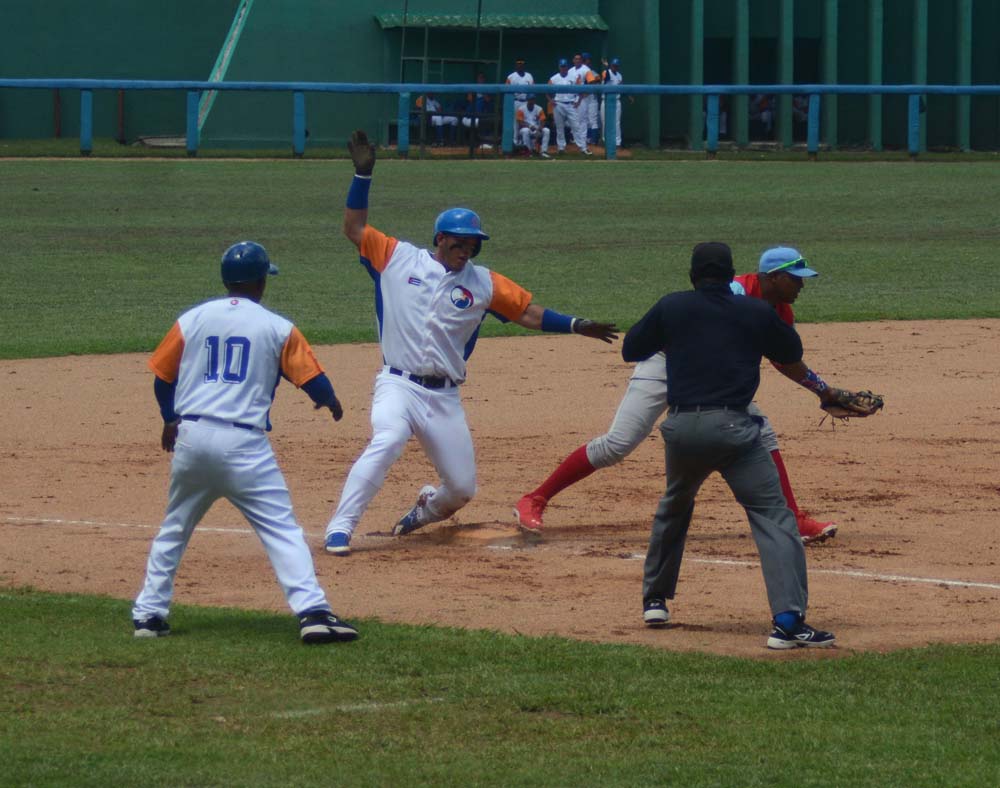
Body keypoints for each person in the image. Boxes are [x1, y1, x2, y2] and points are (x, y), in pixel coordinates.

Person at [323, 130, 617, 556]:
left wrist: (576, 325)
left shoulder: (482, 283)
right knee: (386, 440)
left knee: (461, 488)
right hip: (398, 385)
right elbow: (354, 227)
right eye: (459, 243)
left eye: (473, 245)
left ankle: (424, 510)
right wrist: (362, 175)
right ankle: (341, 527)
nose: (467, 251)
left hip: (444, 397)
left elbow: (529, 314)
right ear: (439, 238)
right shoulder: (396, 257)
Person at [514, 246, 841, 545]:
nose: (802, 286)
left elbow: (786, 360)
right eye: (796, 279)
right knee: (618, 443)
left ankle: (793, 519)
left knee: (763, 433)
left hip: (712, 377)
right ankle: (535, 498)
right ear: (774, 277)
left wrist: (823, 392)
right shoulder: (734, 292)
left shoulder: (780, 312)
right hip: (667, 364)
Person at [133, 241, 358, 645]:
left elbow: (161, 378)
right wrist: (330, 402)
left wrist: (170, 418)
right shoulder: (276, 326)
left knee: (175, 528)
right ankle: (313, 613)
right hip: (244, 446)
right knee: (282, 530)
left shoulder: (192, 319)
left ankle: (149, 616)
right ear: (259, 282)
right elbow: (313, 381)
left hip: (192, 437)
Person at [621, 242, 836, 649]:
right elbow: (791, 352)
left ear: (693, 276)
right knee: (774, 516)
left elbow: (632, 349)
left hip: (682, 429)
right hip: (735, 431)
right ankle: (788, 623)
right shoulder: (756, 311)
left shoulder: (672, 306)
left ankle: (655, 600)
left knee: (674, 505)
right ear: (733, 274)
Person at [548, 58, 587, 155]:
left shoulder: (574, 76)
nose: (563, 68)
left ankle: (582, 148)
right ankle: (561, 148)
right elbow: (546, 91)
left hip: (570, 104)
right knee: (559, 127)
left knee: (576, 126)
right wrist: (551, 100)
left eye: (565, 66)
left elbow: (581, 91)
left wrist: (578, 102)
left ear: (567, 67)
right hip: (558, 104)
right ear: (559, 67)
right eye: (562, 66)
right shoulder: (554, 78)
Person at [565, 53, 593, 154]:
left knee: (582, 121)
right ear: (573, 60)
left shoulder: (586, 70)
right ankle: (578, 143)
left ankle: (583, 146)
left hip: (582, 98)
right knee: (574, 121)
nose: (577, 60)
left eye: (579, 59)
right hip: (572, 97)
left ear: (582, 60)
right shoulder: (570, 71)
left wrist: (583, 96)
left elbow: (592, 83)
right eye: (575, 59)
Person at [600, 57, 629, 147]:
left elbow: (622, 87)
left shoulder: (619, 75)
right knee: (604, 121)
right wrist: (606, 66)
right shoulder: (606, 72)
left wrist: (628, 96)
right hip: (605, 100)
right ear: (611, 65)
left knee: (616, 122)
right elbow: (607, 77)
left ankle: (617, 142)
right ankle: (605, 141)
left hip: (616, 100)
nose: (615, 67)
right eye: (613, 65)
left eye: (616, 66)